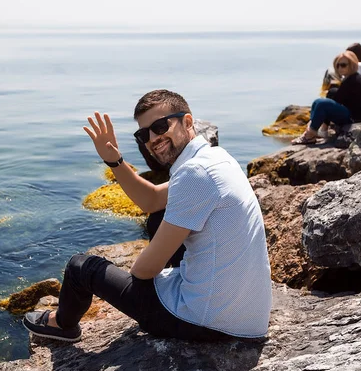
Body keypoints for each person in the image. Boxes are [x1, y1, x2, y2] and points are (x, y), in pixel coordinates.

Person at [23, 89, 273, 342]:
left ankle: (61, 325)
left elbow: (143, 271)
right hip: (247, 317)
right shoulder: (215, 157)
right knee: (157, 219)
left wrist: (149, 271)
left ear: (187, 122)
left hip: (206, 322)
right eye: (144, 134)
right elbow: (152, 200)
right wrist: (115, 161)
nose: (153, 138)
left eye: (160, 126)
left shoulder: (194, 174)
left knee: (80, 267)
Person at [292, 51, 361, 144]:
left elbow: (335, 101)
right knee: (318, 101)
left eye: (343, 65)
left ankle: (310, 134)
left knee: (322, 103)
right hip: (352, 112)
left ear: (352, 64)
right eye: (338, 65)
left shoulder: (353, 80)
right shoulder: (350, 78)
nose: (340, 68)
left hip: (355, 118)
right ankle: (314, 131)